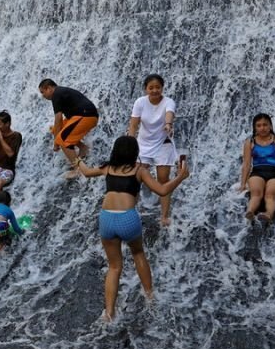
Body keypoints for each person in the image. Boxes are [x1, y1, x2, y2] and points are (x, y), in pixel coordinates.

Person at [74, 136, 189, 321]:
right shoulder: (139, 170)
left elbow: (86, 172)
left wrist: (77, 159)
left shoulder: (108, 167)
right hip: (127, 218)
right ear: (135, 153)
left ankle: (109, 313)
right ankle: (150, 297)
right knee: (138, 254)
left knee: (114, 267)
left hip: (106, 218)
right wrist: (181, 176)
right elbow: (162, 190)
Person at [128, 74, 178, 225]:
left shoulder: (169, 102)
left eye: (158, 87)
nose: (155, 90)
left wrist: (168, 124)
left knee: (163, 179)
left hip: (163, 143)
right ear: (146, 89)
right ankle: (130, 211)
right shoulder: (140, 102)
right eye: (151, 88)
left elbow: (169, 114)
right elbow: (133, 125)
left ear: (162, 88)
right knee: (135, 179)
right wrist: (131, 142)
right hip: (143, 144)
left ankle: (164, 216)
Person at [38, 78, 99, 179]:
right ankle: (83, 148)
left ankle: (78, 169)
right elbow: (59, 123)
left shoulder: (56, 94)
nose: (42, 96)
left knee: (62, 139)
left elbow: (58, 118)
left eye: (43, 92)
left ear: (49, 88)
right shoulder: (59, 92)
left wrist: (56, 143)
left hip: (86, 116)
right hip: (81, 116)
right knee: (55, 130)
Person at [239, 113, 275, 223]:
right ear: (254, 127)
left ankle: (268, 214)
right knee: (255, 193)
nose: (262, 128)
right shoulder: (249, 142)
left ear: (270, 126)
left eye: (265, 125)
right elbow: (246, 164)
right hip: (257, 172)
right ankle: (250, 211)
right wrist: (242, 184)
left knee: (270, 194)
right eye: (258, 125)